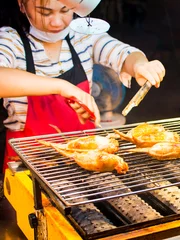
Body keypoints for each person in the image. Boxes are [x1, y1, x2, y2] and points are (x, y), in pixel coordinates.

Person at [0, 0, 166, 172]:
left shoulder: (83, 36)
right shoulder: (11, 41)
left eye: (65, 11)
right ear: (21, 4)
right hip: (29, 163)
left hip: (87, 161)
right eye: (45, 12)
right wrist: (62, 86)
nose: (57, 22)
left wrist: (140, 65)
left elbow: (122, 52)